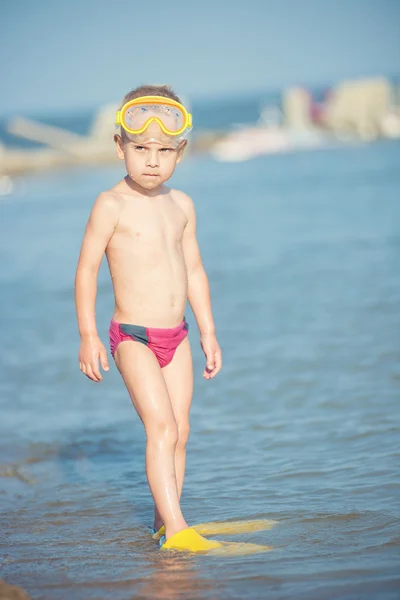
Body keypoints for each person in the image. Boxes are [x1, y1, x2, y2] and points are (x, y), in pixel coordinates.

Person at [74, 84, 223, 552]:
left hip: (176, 336)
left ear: (180, 151)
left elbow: (194, 270)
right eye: (140, 148)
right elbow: (86, 269)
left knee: (180, 430)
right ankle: (178, 528)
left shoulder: (182, 206)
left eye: (163, 150)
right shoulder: (110, 204)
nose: (152, 160)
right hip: (133, 336)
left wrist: (208, 332)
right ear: (120, 146)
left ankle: (165, 521)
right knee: (159, 426)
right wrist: (88, 334)